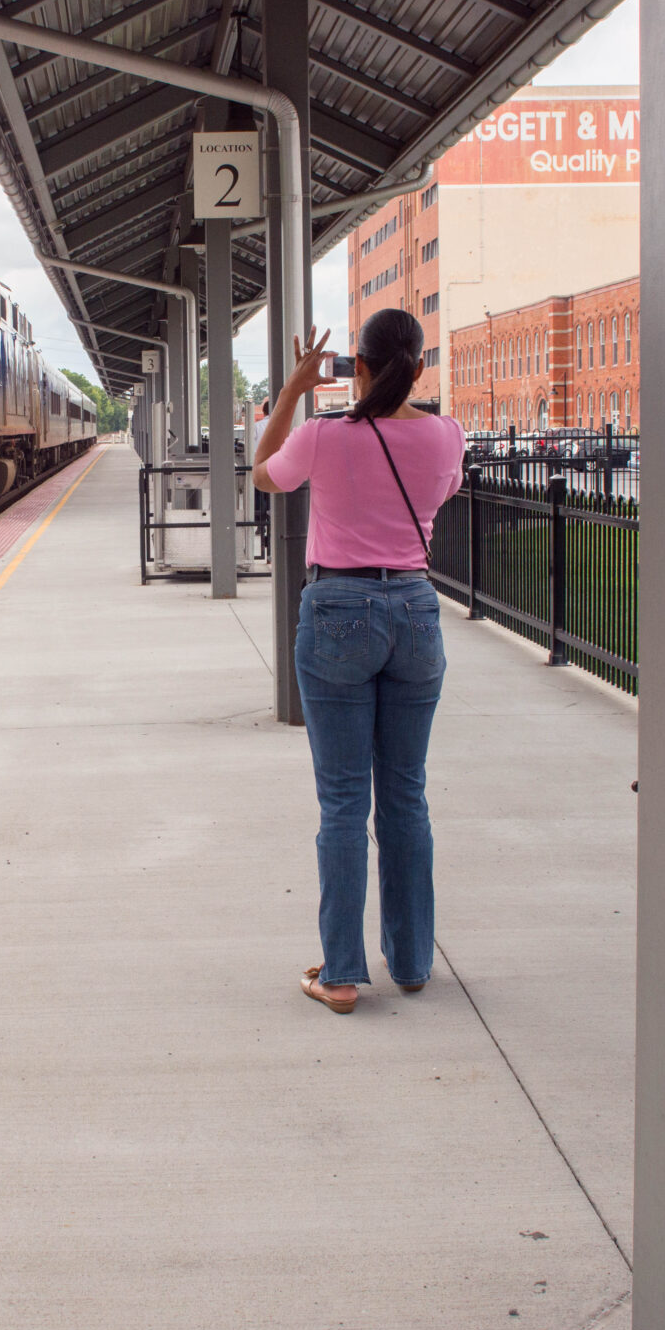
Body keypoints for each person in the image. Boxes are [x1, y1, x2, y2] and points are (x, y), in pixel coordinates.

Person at [252, 309, 466, 1014]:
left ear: (360, 367)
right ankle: (409, 961)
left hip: (338, 609)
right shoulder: (445, 436)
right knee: (406, 793)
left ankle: (341, 973)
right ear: (419, 368)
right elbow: (439, 490)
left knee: (344, 800)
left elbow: (263, 474)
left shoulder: (322, 435)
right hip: (414, 611)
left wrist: (293, 389)